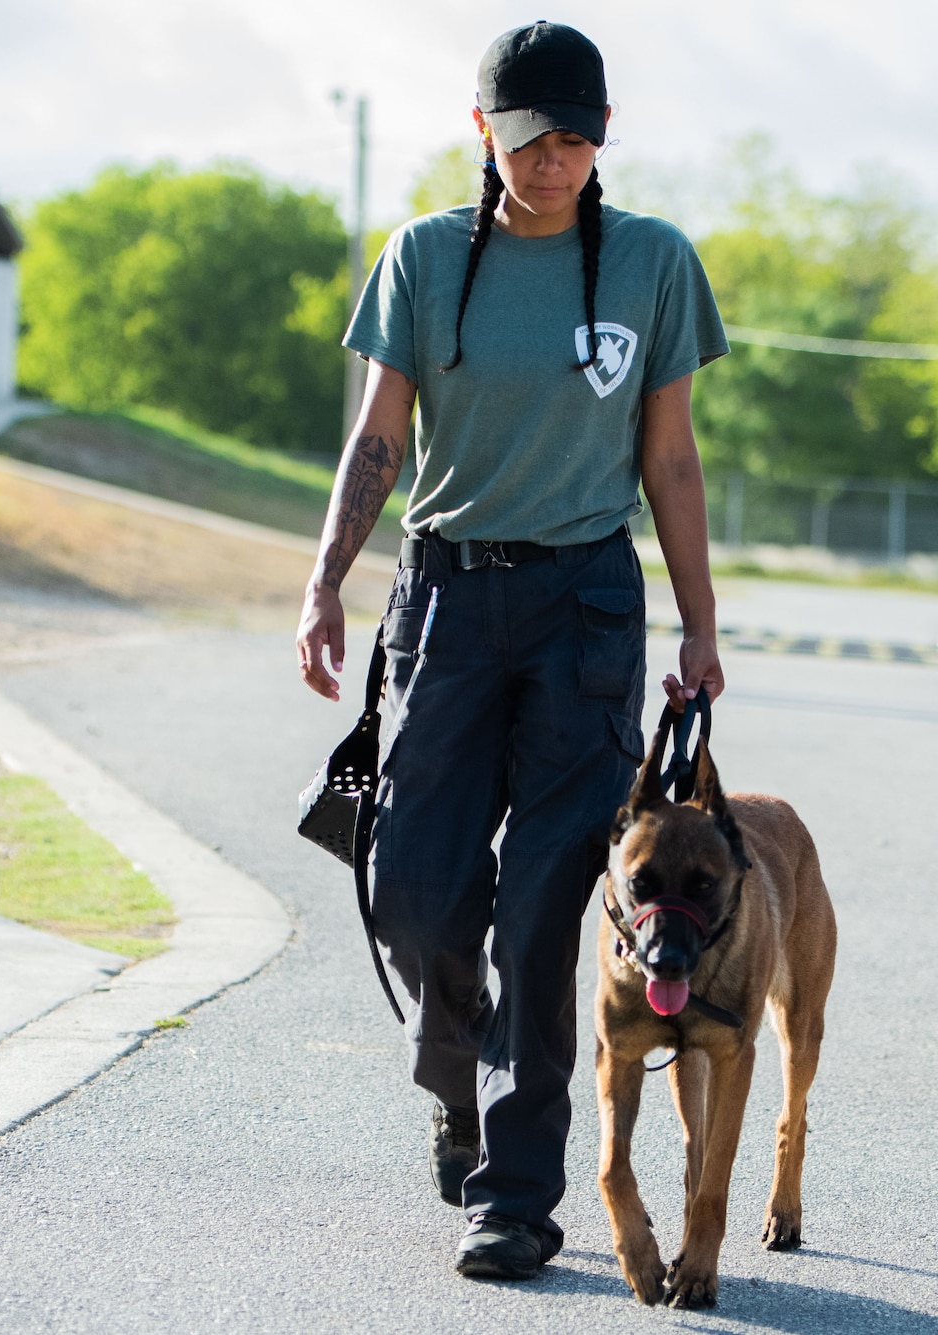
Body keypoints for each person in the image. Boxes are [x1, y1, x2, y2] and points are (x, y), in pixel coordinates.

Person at [295, 21, 729, 1281]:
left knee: (545, 914)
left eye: (577, 140)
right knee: (413, 888)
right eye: (532, 138)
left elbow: (670, 458)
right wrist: (326, 583)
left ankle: (517, 1196)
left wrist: (698, 626)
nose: (554, 163)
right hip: (442, 602)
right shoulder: (424, 260)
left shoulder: (651, 263)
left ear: (602, 139)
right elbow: (375, 437)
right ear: (481, 130)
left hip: (585, 612)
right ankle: (459, 1076)